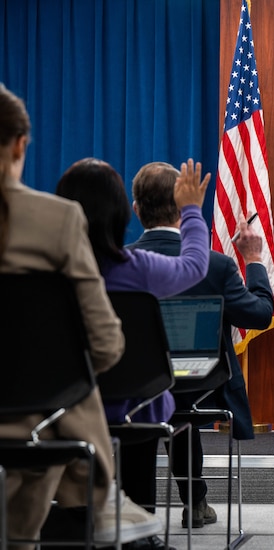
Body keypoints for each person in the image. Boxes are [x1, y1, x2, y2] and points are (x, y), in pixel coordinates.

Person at [0, 83, 162, 548]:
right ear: (20, 144)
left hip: (37, 421)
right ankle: (99, 496)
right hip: (39, 421)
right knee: (64, 393)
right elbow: (107, 343)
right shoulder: (57, 220)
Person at [55, 156, 211, 550]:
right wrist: (191, 209)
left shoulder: (49, 275)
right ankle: (137, 530)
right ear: (125, 212)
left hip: (62, 411)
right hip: (136, 408)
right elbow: (193, 266)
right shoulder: (138, 268)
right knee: (150, 406)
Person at [128, 161, 274, 530]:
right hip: (201, 385)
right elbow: (259, 315)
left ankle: (138, 511)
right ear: (184, 208)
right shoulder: (216, 265)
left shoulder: (119, 263)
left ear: (136, 209)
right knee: (179, 401)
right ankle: (195, 502)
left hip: (133, 388)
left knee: (153, 391)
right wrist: (254, 260)